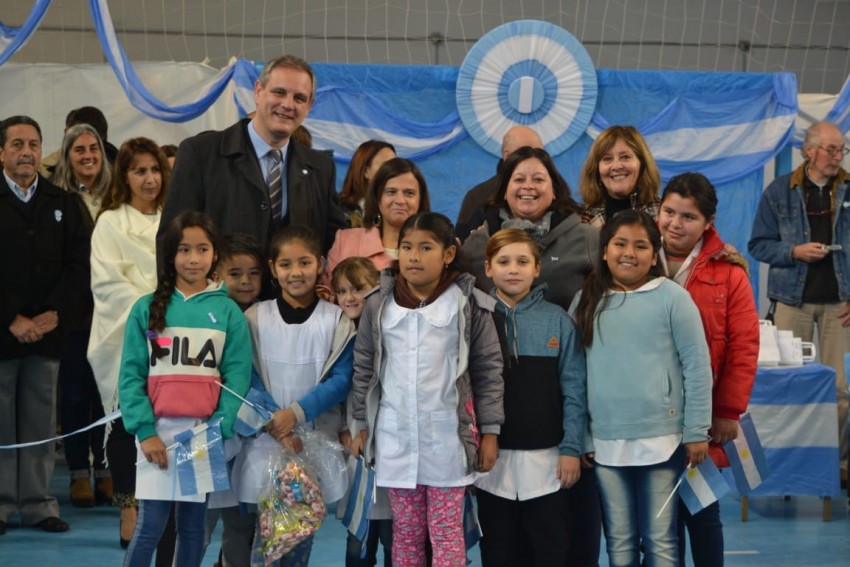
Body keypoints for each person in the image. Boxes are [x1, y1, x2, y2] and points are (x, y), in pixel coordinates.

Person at [350, 212, 504, 567]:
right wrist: (360, 424)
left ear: (448, 254)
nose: (414, 256)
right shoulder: (378, 305)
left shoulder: (467, 304)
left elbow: (488, 372)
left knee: (446, 531)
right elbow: (364, 370)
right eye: (406, 247)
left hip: (448, 442)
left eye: (425, 247)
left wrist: (491, 432)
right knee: (405, 531)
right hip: (395, 439)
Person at [570, 209, 713, 567]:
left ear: (654, 254)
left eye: (640, 245)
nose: (628, 253)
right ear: (604, 250)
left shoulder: (672, 298)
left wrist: (696, 430)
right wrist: (583, 438)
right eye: (619, 243)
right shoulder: (586, 300)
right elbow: (574, 376)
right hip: (605, 442)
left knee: (661, 540)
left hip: (662, 440)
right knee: (619, 541)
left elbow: (697, 366)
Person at [119, 211, 251, 567]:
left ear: (215, 255)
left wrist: (219, 428)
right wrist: (144, 431)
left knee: (193, 528)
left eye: (202, 249)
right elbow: (130, 375)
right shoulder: (145, 309)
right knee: (150, 526)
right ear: (170, 255)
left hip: (202, 435)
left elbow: (237, 377)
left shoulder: (228, 312)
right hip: (156, 434)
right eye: (183, 250)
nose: (193, 259)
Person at [231, 225, 356, 566]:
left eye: (304, 262)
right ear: (273, 269)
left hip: (311, 444)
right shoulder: (255, 318)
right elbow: (245, 376)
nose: (295, 272)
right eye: (285, 265)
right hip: (267, 441)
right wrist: (275, 419)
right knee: (266, 541)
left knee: (299, 536)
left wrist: (295, 415)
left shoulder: (337, 320)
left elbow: (341, 378)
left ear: (320, 264)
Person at [162, 55, 346, 274]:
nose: (287, 104)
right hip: (219, 302)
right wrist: (175, 303)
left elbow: (333, 241)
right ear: (258, 91)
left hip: (293, 305)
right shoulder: (200, 153)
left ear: (309, 105)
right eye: (279, 92)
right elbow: (172, 238)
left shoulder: (321, 168)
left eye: (299, 98)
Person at [657, 173, 759, 567]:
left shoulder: (729, 271)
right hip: (650, 415)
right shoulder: (639, 258)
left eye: (688, 217)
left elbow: (744, 345)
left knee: (701, 510)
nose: (675, 224)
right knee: (661, 518)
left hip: (703, 414)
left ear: (708, 221)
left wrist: (727, 411)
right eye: (668, 212)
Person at [474, 228, 587, 567]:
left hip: (548, 464)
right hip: (491, 464)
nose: (513, 269)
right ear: (488, 268)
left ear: (537, 268)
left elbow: (575, 389)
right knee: (498, 552)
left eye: (523, 261)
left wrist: (571, 449)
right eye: (504, 261)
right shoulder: (475, 318)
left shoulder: (558, 322)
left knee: (550, 551)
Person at [0, 115, 88, 535]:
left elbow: (79, 265)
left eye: (33, 144)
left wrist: (53, 313)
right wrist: (11, 318)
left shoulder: (63, 202)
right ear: (0, 152)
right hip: (2, 334)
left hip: (48, 333)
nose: (27, 152)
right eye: (17, 144)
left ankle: (38, 504)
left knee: (38, 423)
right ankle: (0, 505)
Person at [749, 121, 850, 475]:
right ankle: (781, 465)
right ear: (809, 151)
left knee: (843, 391)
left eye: (841, 150)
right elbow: (758, 245)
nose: (838, 156)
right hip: (791, 303)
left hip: (842, 306)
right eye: (831, 149)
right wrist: (794, 251)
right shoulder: (779, 191)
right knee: (784, 387)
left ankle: (834, 466)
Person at [89, 137, 173, 552]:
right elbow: (108, 283)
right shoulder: (110, 222)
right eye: (139, 170)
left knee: (168, 418)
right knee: (126, 420)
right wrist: (151, 314)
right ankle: (128, 506)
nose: (149, 178)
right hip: (128, 332)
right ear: (124, 175)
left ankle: (166, 502)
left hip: (174, 334)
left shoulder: (173, 220)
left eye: (155, 169)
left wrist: (168, 314)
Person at [50, 122, 114, 508]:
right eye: (79, 150)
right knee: (74, 396)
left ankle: (106, 470)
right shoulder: (54, 198)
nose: (88, 155)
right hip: (73, 315)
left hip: (111, 313)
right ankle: (78, 473)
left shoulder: (117, 197)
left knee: (107, 393)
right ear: (67, 156)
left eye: (93, 149)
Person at [202, 233, 265, 567]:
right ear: (216, 276)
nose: (244, 281)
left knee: (240, 523)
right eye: (235, 273)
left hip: (248, 439)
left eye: (253, 273)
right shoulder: (204, 314)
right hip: (206, 433)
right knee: (197, 524)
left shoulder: (268, 315)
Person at [328, 258, 394, 567]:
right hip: (354, 442)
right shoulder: (337, 334)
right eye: (342, 291)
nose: (350, 297)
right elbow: (333, 390)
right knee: (358, 537)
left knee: (394, 534)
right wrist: (343, 430)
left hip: (389, 440)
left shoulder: (389, 329)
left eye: (359, 288)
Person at [325, 158, 431, 280]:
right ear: (377, 198)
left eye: (409, 193)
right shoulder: (345, 242)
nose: (400, 201)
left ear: (420, 199)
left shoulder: (438, 246)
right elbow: (329, 294)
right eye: (391, 192)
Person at [455, 125, 543, 241]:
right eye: (526, 153)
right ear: (507, 155)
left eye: (540, 154)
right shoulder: (477, 197)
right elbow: (464, 248)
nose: (535, 159)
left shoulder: (551, 192)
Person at [579, 125, 661, 228]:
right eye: (607, 158)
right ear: (596, 169)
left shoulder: (663, 213)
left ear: (642, 164)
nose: (616, 166)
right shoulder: (582, 219)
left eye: (625, 157)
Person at [40, 106, 119, 178]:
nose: (88, 156)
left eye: (93, 147)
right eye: (80, 149)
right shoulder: (45, 171)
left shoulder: (122, 173)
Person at [339, 140, 397, 228]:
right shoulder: (339, 211)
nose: (394, 172)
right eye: (386, 166)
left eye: (396, 166)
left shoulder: (401, 207)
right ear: (365, 171)